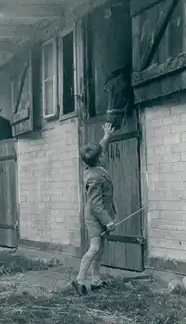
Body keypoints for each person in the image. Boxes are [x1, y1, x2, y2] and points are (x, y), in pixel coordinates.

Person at [72, 123, 116, 295]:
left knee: (100, 248)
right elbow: (96, 204)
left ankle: (96, 280)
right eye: (101, 155)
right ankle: (80, 280)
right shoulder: (95, 177)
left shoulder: (91, 166)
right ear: (98, 160)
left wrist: (106, 136)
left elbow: (100, 149)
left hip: (100, 214)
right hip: (95, 216)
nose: (103, 154)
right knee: (95, 248)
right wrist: (109, 221)